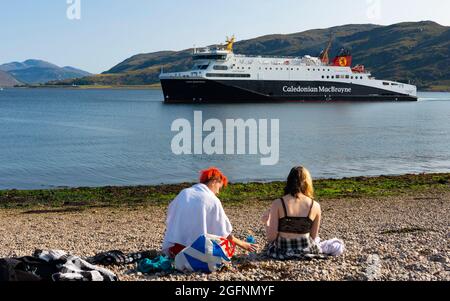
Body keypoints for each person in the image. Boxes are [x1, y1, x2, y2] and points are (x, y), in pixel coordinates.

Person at [162, 167, 258, 258]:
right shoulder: (212, 199)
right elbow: (224, 232)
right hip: (196, 254)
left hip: (174, 250)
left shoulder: (184, 193)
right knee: (225, 245)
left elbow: (170, 213)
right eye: (219, 188)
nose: (218, 192)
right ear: (214, 181)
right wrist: (243, 244)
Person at [261, 166, 323, 260]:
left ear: (289, 181)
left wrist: (266, 222)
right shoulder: (315, 205)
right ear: (307, 182)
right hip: (306, 250)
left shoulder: (278, 203)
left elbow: (271, 238)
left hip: (282, 251)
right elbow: (313, 237)